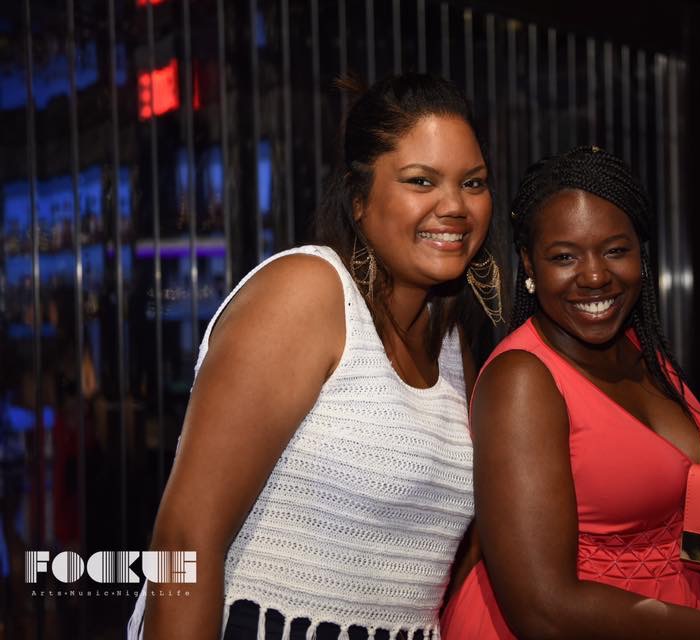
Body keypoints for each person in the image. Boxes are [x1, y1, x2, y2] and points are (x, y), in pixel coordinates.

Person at [127, 73, 504, 640]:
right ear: (359, 199)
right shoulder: (307, 294)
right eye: (421, 181)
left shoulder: (451, 345)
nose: (454, 205)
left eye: (472, 183)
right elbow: (186, 537)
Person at [441, 146, 700, 639]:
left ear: (640, 256)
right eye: (564, 257)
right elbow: (543, 610)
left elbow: (675, 537)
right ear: (529, 264)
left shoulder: (641, 351)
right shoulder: (523, 380)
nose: (594, 275)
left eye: (615, 250)